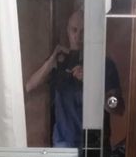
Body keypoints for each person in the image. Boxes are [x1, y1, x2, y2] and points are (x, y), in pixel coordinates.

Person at [26, 9, 123, 149]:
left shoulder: (105, 64)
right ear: (68, 31)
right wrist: (51, 60)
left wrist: (92, 84)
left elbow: (117, 107)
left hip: (96, 144)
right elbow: (29, 86)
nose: (78, 36)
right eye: (74, 30)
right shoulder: (59, 61)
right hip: (64, 143)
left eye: (83, 31)